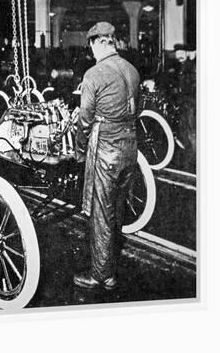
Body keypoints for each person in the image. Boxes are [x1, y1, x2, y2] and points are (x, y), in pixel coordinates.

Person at [74, 22, 140, 290]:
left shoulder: (94, 74)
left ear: (96, 43)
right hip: (129, 146)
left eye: (91, 46)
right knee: (117, 209)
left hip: (106, 149)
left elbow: (85, 118)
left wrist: (79, 151)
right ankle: (110, 265)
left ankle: (101, 275)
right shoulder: (132, 70)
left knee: (101, 212)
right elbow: (138, 109)